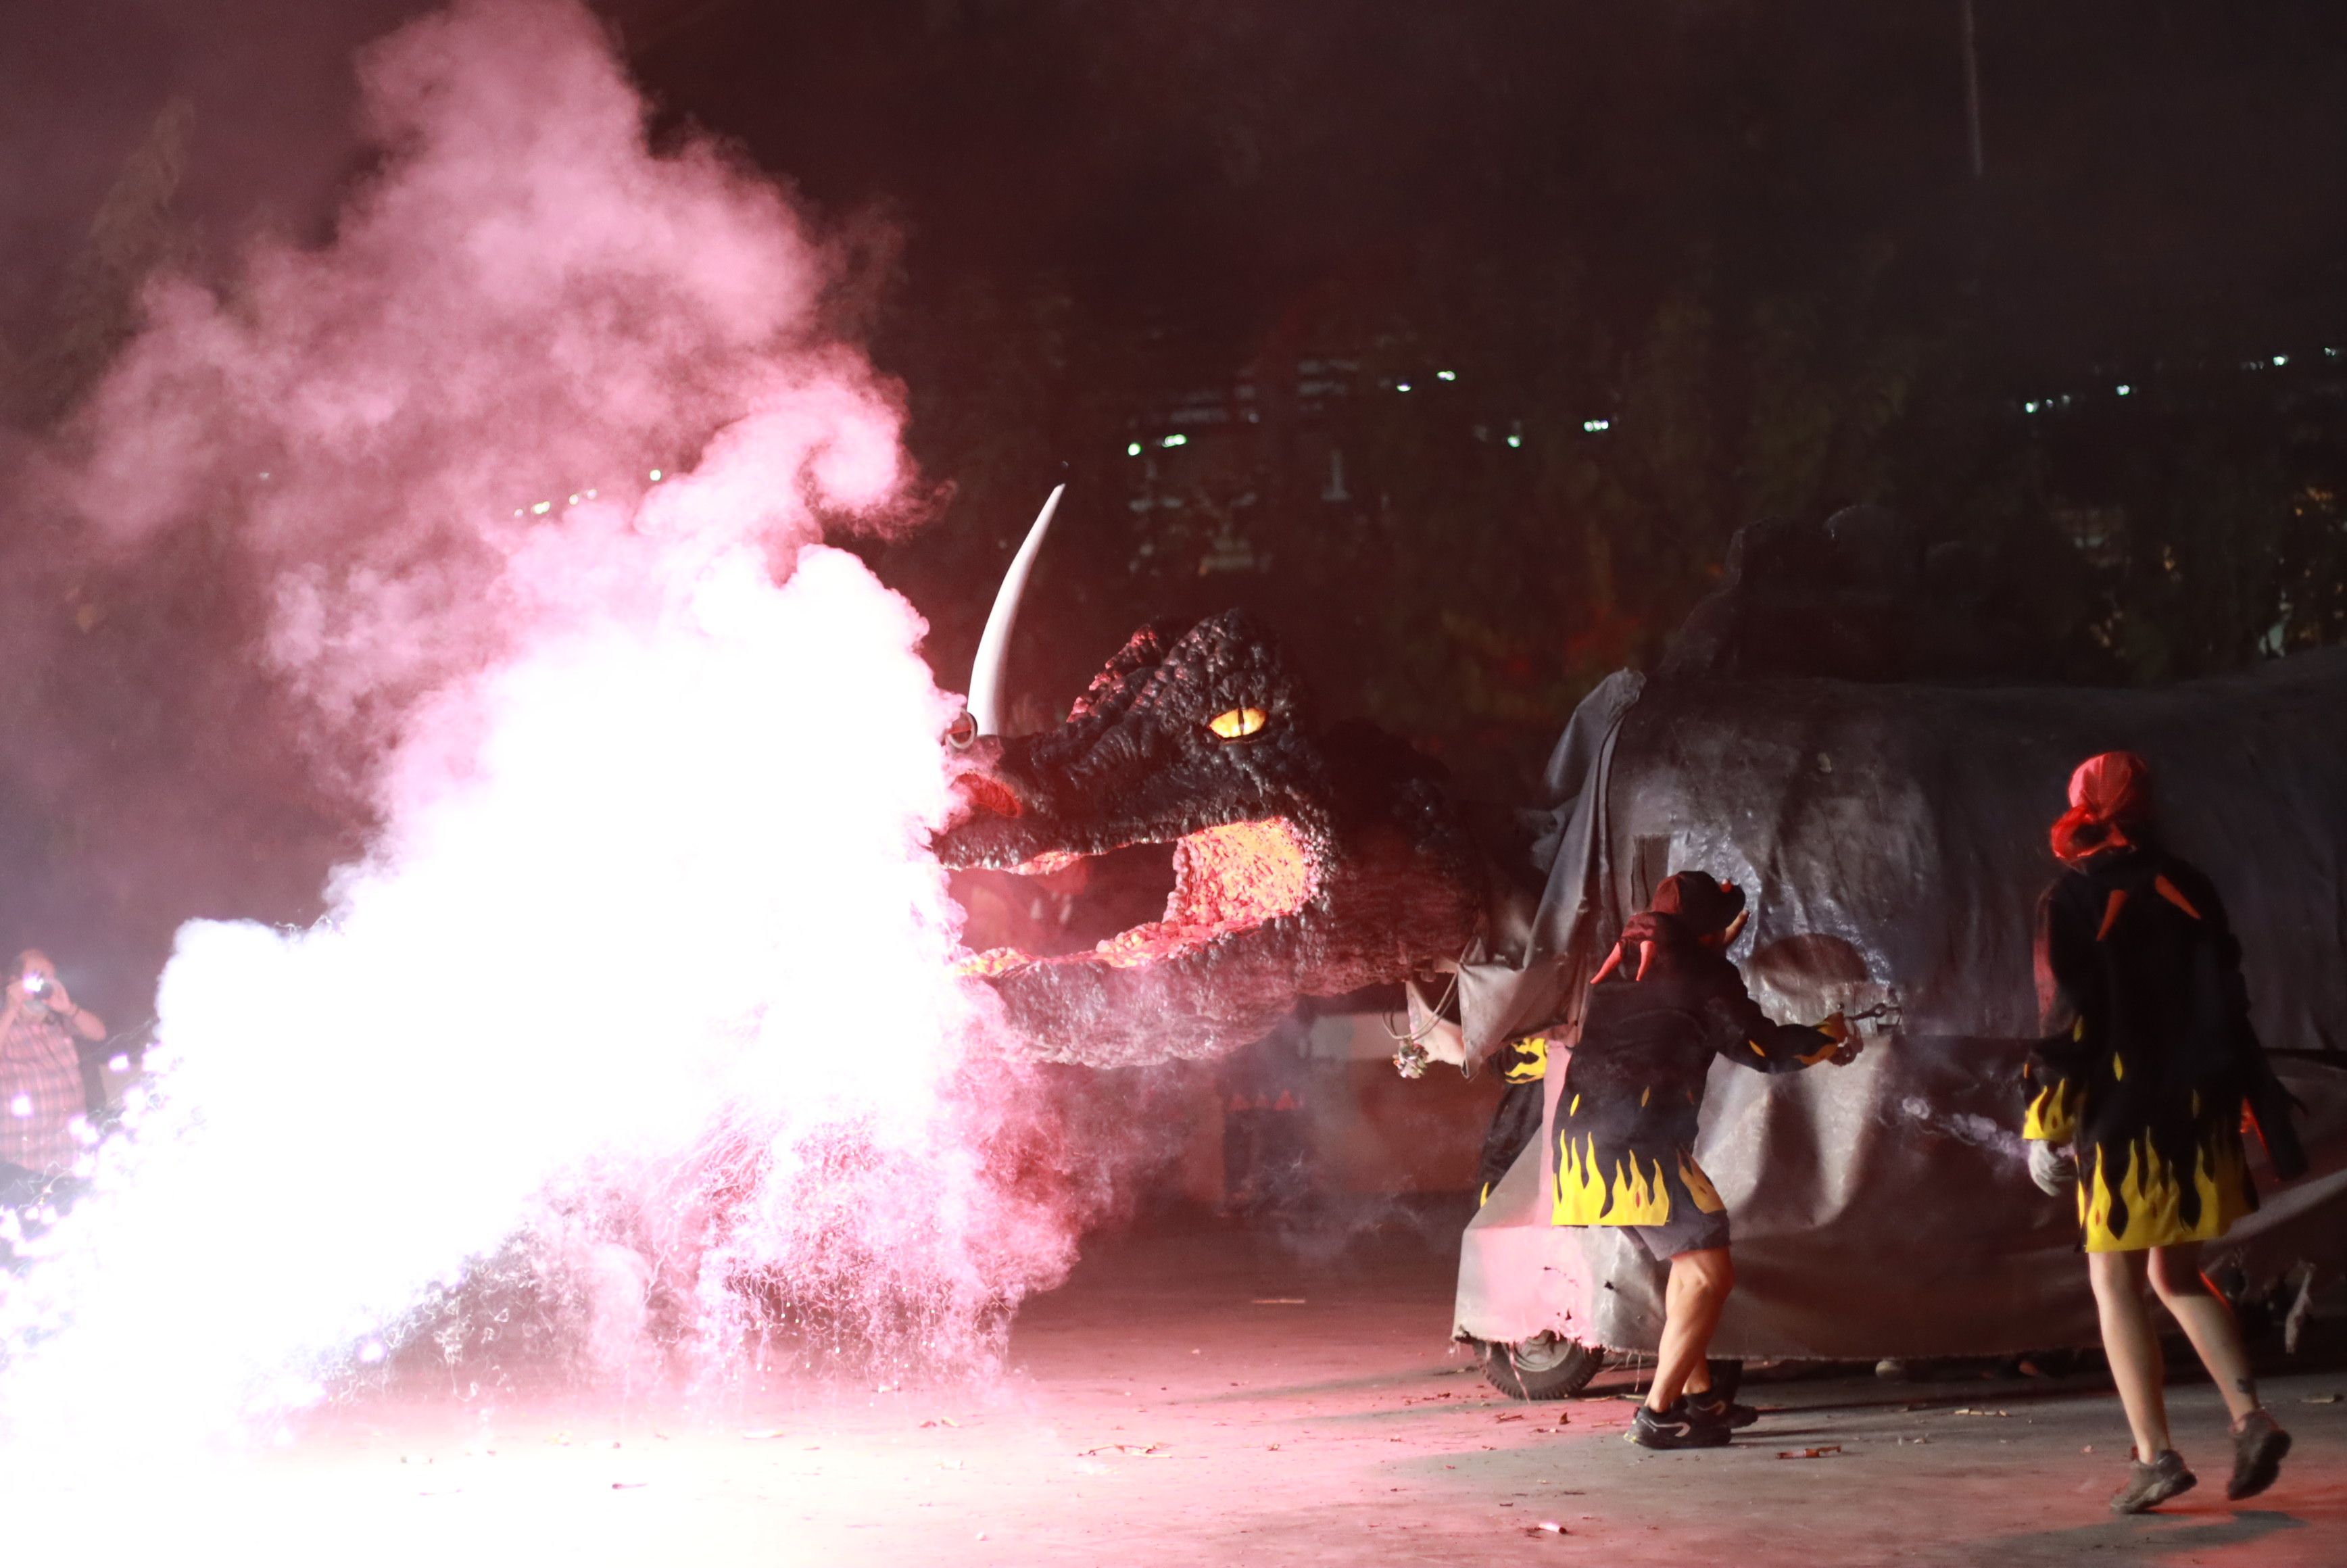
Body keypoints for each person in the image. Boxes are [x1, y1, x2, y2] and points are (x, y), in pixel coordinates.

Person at [2021, 750, 2300, 1514]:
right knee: (2172, 1274)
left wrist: (2044, 1118)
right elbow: (2229, 995)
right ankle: (2250, 1417)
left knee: (2113, 1277)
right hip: (2201, 1108)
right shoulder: (2192, 885)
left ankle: (2154, 1456)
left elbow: (2067, 1017)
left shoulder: (2071, 897)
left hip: (2123, 1118)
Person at [1555, 871, 1862, 1450]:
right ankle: (1658, 1416)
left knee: (1687, 1264)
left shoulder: (1627, 964)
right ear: (1705, 934)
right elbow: (1764, 1048)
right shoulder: (1704, 976)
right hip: (1636, 1151)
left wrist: (1704, 950)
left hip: (1584, 1148)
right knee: (1708, 1272)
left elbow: (1673, 1000)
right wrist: (1828, 1035)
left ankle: (1702, 1400)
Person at [0, 949, 106, 1215]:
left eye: (51, 977)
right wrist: (12, 1008)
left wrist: (68, 1008)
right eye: (37, 976)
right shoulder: (6, 1030)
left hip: (70, 1166)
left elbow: (99, 1033)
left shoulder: (58, 1026)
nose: (45, 983)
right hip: (23, 1172)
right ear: (14, 981)